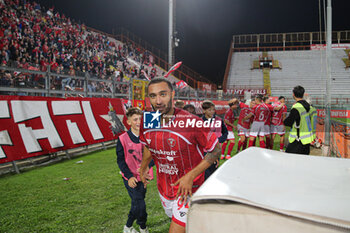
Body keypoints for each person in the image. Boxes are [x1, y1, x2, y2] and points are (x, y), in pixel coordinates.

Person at [139, 78, 221, 233]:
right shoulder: (149, 120)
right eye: (153, 96)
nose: (158, 101)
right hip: (165, 187)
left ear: (172, 94)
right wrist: (143, 168)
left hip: (190, 189)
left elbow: (216, 150)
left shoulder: (191, 121)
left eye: (163, 94)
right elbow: (149, 146)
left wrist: (190, 176)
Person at [116, 107, 154, 233]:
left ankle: (127, 227)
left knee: (137, 202)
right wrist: (129, 176)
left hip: (143, 176)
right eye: (135, 119)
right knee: (140, 204)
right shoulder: (122, 139)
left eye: (141, 119)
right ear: (128, 122)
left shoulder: (149, 136)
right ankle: (143, 227)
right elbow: (120, 160)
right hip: (130, 177)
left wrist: (148, 166)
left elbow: (155, 155)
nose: (138, 122)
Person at [284, 86, 316, 155]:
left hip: (298, 139)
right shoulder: (309, 107)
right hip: (306, 140)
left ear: (293, 94)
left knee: (289, 159)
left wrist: (283, 119)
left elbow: (288, 122)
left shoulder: (297, 107)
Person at [201, 100, 228, 179]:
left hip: (216, 149)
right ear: (204, 110)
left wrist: (219, 140)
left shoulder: (219, 120)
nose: (212, 111)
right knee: (205, 170)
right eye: (209, 110)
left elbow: (225, 132)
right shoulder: (200, 121)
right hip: (205, 150)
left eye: (213, 109)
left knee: (214, 168)